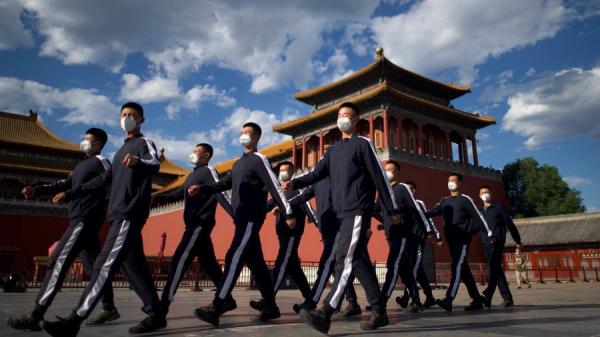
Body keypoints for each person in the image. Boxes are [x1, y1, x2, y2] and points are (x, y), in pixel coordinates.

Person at [42, 102, 166, 336]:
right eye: (124, 114)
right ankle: (156, 314)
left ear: (141, 120)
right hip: (118, 215)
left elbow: (155, 164)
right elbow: (102, 181)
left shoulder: (143, 143)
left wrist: (137, 162)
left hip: (128, 214)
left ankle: (74, 321)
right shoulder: (120, 151)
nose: (127, 118)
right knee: (135, 268)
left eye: (132, 115)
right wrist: (69, 193)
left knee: (101, 267)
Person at [283, 102, 400, 333]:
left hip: (357, 210)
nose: (342, 119)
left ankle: (326, 311)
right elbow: (316, 174)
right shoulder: (333, 151)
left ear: (356, 121)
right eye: (339, 115)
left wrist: (392, 210)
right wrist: (294, 183)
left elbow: (379, 178)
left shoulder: (363, 144)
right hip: (340, 214)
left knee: (344, 260)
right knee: (359, 263)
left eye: (347, 115)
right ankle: (379, 312)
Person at [7, 128, 119, 331]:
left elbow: (105, 181)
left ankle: (36, 313)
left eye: (88, 140)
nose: (83, 143)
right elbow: (64, 183)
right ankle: (109, 307)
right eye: (83, 139)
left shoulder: (101, 161)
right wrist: (38, 190)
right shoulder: (81, 166)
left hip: (84, 219)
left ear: (99, 143)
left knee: (57, 262)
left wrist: (72, 194)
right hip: (81, 221)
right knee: (96, 269)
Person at [192, 122, 295, 326]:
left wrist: (288, 211)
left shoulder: (259, 159)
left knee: (234, 256)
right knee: (256, 264)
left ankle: (219, 304)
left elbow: (274, 186)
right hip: (240, 219)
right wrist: (203, 188)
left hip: (250, 217)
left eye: (246, 133)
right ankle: (271, 306)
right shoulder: (239, 163)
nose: (242, 136)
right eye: (241, 133)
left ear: (256, 137)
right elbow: (225, 184)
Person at [152, 143, 234, 315]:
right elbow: (177, 194)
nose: (193, 153)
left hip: (199, 224)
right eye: (193, 150)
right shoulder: (191, 175)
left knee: (179, 261)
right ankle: (227, 299)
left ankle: (163, 306)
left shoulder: (208, 171)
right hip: (192, 224)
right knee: (209, 264)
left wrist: (234, 214)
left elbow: (220, 191)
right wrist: (156, 197)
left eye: (197, 151)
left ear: (206, 156)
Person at [249, 161, 316, 312]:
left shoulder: (297, 188)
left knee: (281, 265)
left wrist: (315, 219)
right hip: (282, 234)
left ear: (292, 172)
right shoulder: (279, 191)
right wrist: (253, 213)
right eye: (280, 171)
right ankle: (310, 300)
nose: (282, 173)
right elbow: (267, 205)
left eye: (285, 170)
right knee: (294, 269)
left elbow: (307, 206)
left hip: (292, 233)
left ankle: (268, 300)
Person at [427, 172, 495, 312]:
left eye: (453, 180)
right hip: (451, 240)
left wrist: (488, 233)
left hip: (462, 239)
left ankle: (449, 299)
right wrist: (418, 213)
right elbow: (433, 211)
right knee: (464, 270)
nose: (451, 183)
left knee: (456, 266)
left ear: (459, 183)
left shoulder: (465, 200)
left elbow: (478, 217)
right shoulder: (444, 201)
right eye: (449, 180)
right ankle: (477, 300)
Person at [375, 161, 430, 313]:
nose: (387, 172)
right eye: (385, 170)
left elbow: (416, 209)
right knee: (404, 269)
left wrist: (428, 229)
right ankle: (416, 300)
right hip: (390, 234)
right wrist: (385, 222)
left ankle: (382, 301)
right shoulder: (383, 191)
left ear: (397, 172)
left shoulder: (402, 188)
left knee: (393, 265)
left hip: (403, 234)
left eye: (390, 170)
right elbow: (376, 210)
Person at [396, 181, 442, 310]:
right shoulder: (403, 204)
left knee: (413, 268)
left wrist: (435, 235)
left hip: (418, 238)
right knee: (418, 270)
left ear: (414, 190)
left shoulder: (419, 203)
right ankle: (430, 297)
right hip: (408, 238)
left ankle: (407, 297)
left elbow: (427, 218)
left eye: (409, 189)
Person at [478, 185, 524, 308]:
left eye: (487, 192)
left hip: (497, 242)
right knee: (496, 269)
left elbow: (509, 224)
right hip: (486, 244)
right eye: (482, 192)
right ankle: (506, 298)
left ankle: (488, 294)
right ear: (479, 196)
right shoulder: (479, 211)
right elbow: (474, 226)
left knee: (494, 268)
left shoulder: (498, 208)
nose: (485, 194)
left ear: (491, 194)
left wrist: (517, 240)